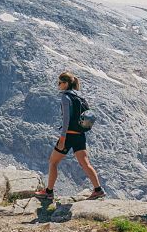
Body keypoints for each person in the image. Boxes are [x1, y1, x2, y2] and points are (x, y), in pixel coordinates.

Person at [40, 71, 104, 205]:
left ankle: (49, 192)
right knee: (85, 163)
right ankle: (98, 189)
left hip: (68, 135)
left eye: (60, 83)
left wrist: (62, 138)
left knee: (53, 162)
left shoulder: (65, 97)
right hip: (80, 136)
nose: (58, 85)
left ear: (66, 83)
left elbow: (66, 119)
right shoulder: (80, 97)